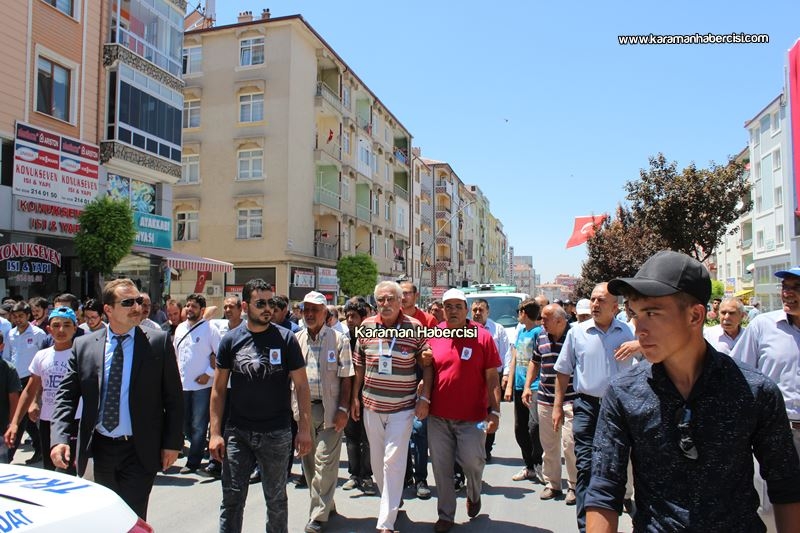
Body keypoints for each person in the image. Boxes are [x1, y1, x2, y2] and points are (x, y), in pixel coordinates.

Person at [585, 250, 800, 532]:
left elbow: (785, 483)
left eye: (652, 313)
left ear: (695, 315)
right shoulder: (624, 392)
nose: (640, 329)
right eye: (636, 314)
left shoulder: (754, 390)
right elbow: (604, 488)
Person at [50, 278, 183, 519]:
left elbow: (173, 397)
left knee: (132, 516)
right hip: (99, 448)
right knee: (104, 517)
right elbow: (66, 396)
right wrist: (59, 437)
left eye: (139, 301)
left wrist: (172, 443)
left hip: (139, 448)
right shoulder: (84, 346)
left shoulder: (158, 343)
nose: (137, 307)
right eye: (128, 302)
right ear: (108, 309)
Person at [209, 278, 312, 533]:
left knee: (276, 501)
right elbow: (218, 389)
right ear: (246, 306)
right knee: (232, 501)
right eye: (261, 303)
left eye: (271, 302)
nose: (268, 308)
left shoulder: (286, 339)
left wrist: (304, 429)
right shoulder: (230, 341)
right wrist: (215, 433)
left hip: (277, 433)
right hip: (238, 433)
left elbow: (301, 386)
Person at [553, 283, 637, 531]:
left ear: (615, 307)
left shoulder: (629, 333)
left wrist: (639, 346)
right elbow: (563, 370)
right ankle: (585, 526)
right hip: (587, 406)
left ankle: (617, 514)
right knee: (586, 466)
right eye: (593, 299)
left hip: (621, 408)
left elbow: (655, 356)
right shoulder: (577, 332)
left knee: (617, 465)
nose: (595, 304)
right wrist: (558, 406)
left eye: (601, 300)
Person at [351, 281, 432, 533]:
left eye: (390, 299)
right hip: (371, 405)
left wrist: (425, 398)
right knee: (377, 462)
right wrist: (354, 397)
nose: (385, 304)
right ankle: (392, 500)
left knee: (392, 461)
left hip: (403, 407)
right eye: (381, 300)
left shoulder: (415, 328)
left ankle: (385, 521)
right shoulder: (366, 327)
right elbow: (359, 364)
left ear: (400, 302)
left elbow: (427, 365)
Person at [427, 289, 501, 532]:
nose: (453, 310)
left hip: (473, 417)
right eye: (449, 306)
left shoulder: (482, 337)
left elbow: (492, 378)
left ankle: (474, 492)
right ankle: (446, 515)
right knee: (441, 467)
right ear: (443, 309)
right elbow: (428, 371)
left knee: (472, 462)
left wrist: (495, 411)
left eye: (458, 306)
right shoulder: (435, 335)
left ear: (466, 310)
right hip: (438, 416)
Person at [293, 291, 353, 533]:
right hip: (304, 412)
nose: (309, 314)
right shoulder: (296, 340)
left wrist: (343, 408)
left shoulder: (339, 340)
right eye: (306, 309)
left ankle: (317, 516)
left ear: (325, 313)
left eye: (314, 310)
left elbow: (347, 377)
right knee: (308, 464)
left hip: (331, 411)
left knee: (325, 463)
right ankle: (327, 504)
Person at [731, 266, 800, 459]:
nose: (787, 292)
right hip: (775, 431)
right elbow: (737, 373)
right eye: (785, 286)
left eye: (797, 286)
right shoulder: (762, 326)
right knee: (775, 488)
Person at [5, 307, 78, 472]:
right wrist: (15, 422)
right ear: (49, 329)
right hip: (47, 421)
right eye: (57, 325)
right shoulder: (41, 355)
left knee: (68, 472)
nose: (61, 330)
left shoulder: (80, 354)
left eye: (67, 325)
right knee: (50, 470)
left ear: (75, 328)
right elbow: (29, 390)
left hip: (72, 422)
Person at [523, 304, 577, 504]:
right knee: (548, 444)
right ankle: (552, 483)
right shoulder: (541, 336)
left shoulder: (574, 336)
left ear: (560, 321)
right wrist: (528, 386)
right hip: (545, 398)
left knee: (570, 444)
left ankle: (574, 485)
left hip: (571, 398)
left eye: (545, 319)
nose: (541, 322)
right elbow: (534, 362)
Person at [174, 293, 221, 474]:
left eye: (193, 306)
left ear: (202, 310)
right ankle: (197, 448)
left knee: (199, 424)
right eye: (188, 306)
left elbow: (220, 357)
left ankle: (193, 462)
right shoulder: (179, 329)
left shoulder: (210, 330)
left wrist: (208, 374)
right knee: (184, 424)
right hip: (182, 385)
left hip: (202, 386)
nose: (189, 309)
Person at [503, 298, 543, 483]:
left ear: (524, 313)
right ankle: (529, 466)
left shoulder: (539, 333)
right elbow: (514, 359)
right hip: (519, 386)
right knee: (520, 428)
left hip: (535, 387)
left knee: (534, 427)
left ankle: (539, 463)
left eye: (519, 312)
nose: (518, 315)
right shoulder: (521, 333)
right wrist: (510, 385)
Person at [3, 301, 47, 463]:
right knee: (20, 417)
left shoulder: (38, 334)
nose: (18, 319)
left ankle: (10, 455)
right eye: (15, 317)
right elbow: (7, 356)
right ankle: (38, 447)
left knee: (27, 418)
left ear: (28, 316)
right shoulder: (11, 334)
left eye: (21, 316)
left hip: (32, 379)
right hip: (14, 379)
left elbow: (43, 356)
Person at [341, 299, 375, 495]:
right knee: (352, 438)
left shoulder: (371, 339)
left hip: (368, 396)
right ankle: (354, 475)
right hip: (347, 397)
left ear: (364, 318)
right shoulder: (343, 339)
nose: (350, 320)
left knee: (367, 439)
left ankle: (367, 476)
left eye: (354, 316)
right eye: (347, 316)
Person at [470, 297, 511, 462]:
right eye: (475, 310)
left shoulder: (497, 330)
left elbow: (506, 353)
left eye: (481, 310)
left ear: (488, 311)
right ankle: (473, 445)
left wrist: (506, 374)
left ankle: (486, 447)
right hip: (473, 378)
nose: (478, 313)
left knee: (489, 413)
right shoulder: (465, 329)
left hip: (492, 377)